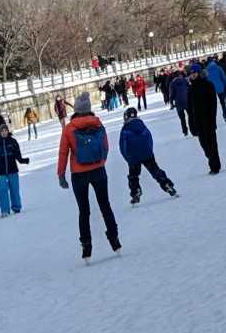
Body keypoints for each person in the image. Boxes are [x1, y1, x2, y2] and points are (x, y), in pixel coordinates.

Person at [57, 92, 121, 261]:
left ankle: (86, 247)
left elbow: (63, 152)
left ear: (76, 109)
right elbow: (106, 146)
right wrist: (100, 161)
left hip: (79, 174)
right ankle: (115, 240)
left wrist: (61, 174)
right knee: (105, 205)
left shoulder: (69, 129)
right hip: (98, 170)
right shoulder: (98, 123)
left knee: (84, 211)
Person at [119, 107, 177, 204]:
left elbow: (122, 146)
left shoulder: (125, 129)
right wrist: (149, 151)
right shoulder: (142, 125)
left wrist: (128, 158)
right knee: (155, 170)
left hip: (133, 157)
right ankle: (167, 184)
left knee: (133, 175)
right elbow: (149, 138)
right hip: (147, 154)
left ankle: (136, 192)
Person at [186, 63, 221, 174]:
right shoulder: (190, 89)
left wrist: (212, 120)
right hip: (198, 122)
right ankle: (211, 159)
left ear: (199, 73)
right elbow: (190, 110)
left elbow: (213, 105)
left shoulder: (208, 85)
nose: (192, 75)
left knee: (212, 145)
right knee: (204, 146)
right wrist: (191, 124)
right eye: (191, 74)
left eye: (194, 73)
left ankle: (215, 166)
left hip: (208, 120)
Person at [0, 122, 30, 216]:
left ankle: (16, 207)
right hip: (1, 171)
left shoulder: (13, 141)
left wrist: (23, 160)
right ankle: (5, 210)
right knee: (3, 189)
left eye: (5, 130)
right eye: (2, 131)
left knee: (14, 189)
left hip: (12, 169)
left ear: (8, 131)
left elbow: (18, 155)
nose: (4, 132)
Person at [205, 57, 226, 122]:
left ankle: (212, 119)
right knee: (222, 103)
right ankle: (225, 115)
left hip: (211, 89)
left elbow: (205, 80)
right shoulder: (218, 67)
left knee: (213, 105)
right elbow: (223, 76)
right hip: (220, 88)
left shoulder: (206, 70)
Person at [169, 68, 190, 136]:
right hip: (186, 100)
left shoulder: (172, 84)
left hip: (178, 103)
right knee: (190, 115)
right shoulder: (184, 80)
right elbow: (189, 88)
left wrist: (171, 103)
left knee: (182, 118)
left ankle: (185, 131)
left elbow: (171, 95)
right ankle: (193, 127)